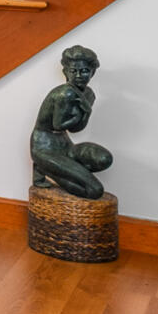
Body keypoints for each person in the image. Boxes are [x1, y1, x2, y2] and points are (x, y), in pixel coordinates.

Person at [30, 45, 113, 200]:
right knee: (94, 191)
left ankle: (55, 169)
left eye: (84, 71)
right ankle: (45, 168)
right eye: (73, 71)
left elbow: (76, 129)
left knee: (104, 159)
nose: (79, 75)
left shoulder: (88, 94)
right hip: (44, 146)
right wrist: (83, 111)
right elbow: (58, 125)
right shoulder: (66, 93)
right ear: (65, 72)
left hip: (64, 143)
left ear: (92, 72)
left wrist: (87, 111)